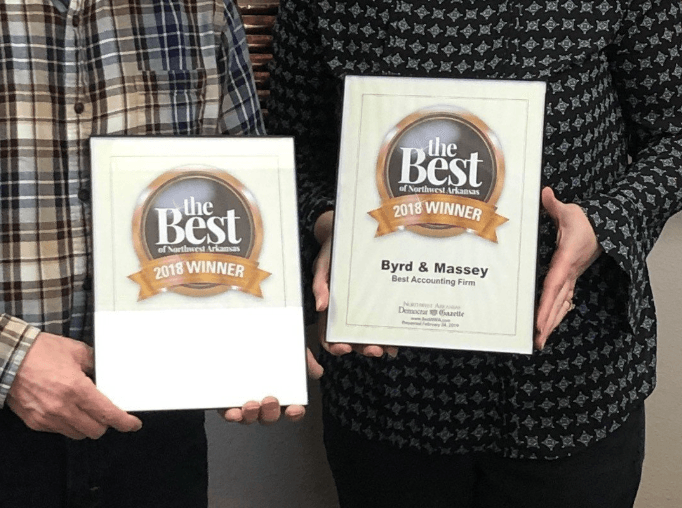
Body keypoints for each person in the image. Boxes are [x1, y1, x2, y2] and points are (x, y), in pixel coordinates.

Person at [267, 0, 682, 506]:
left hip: (570, 377)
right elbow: (293, 146)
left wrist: (604, 224)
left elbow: (673, 136)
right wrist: (327, 222)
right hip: (387, 384)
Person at [0, 1, 304, 507]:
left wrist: (260, 344)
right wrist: (8, 357)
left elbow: (248, 192)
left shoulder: (206, 9)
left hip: (155, 430)